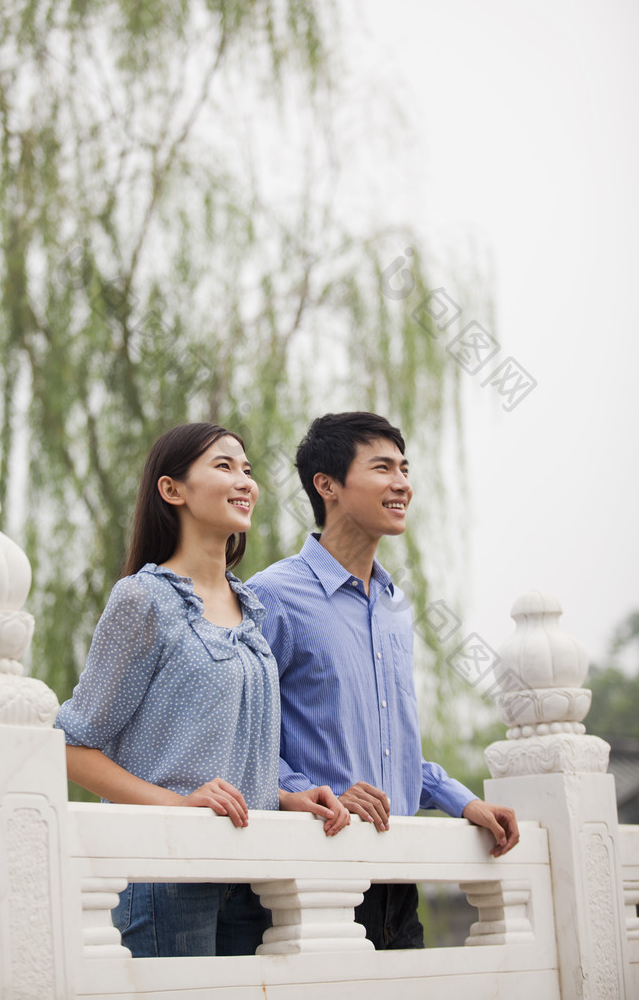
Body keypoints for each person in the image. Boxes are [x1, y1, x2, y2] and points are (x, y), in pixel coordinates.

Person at [55, 422, 349, 959]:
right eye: (223, 466)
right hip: (166, 875)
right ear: (173, 490)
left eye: (248, 470)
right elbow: (70, 746)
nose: (245, 481)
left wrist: (285, 797)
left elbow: (220, 751)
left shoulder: (252, 610)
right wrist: (178, 805)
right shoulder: (144, 600)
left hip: (250, 876)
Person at [247, 411, 519, 949]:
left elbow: (390, 748)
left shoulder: (394, 606)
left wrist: (462, 801)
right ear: (327, 485)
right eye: (382, 468)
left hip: (399, 877)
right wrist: (315, 794)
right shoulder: (272, 596)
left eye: (404, 468)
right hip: (315, 870)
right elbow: (243, 735)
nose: (402, 483)